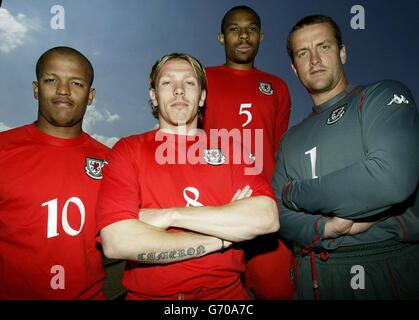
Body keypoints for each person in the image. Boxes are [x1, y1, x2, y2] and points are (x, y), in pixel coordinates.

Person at [96, 52, 279, 300]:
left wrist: (171, 215)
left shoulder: (231, 148)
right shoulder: (127, 150)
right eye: (167, 82)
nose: (179, 90)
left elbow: (266, 218)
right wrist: (222, 238)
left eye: (189, 82)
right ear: (154, 96)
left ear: (202, 96)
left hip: (226, 297)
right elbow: (118, 241)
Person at [272, 14, 419, 299]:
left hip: (389, 266)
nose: (314, 59)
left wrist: (294, 193)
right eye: (303, 53)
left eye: (324, 47)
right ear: (294, 68)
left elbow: (390, 180)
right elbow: (276, 213)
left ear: (342, 52)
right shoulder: (290, 139)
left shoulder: (382, 96)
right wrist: (324, 227)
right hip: (314, 274)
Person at [0, 46, 108, 299]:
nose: (63, 90)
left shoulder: (112, 162)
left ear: (90, 96)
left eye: (76, 83)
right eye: (51, 80)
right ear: (36, 89)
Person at [202, 5, 295, 299]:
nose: (243, 35)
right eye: (234, 28)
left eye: (251, 28)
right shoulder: (201, 78)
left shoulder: (277, 86)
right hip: (212, 211)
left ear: (261, 36)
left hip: (265, 214)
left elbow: (279, 150)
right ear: (221, 37)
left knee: (278, 292)